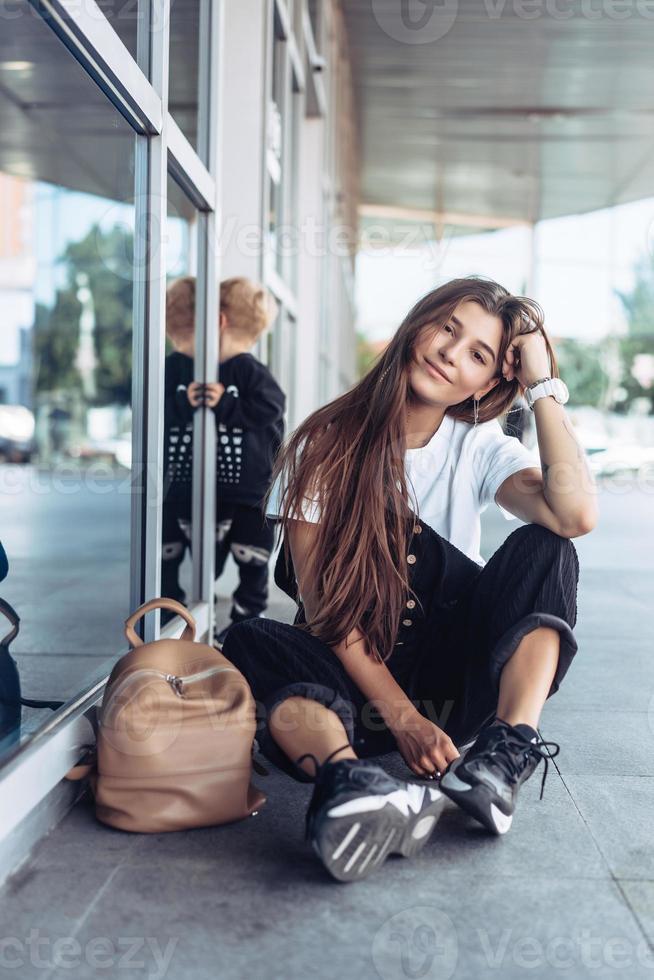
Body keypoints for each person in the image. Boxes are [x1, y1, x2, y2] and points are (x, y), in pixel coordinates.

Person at [222, 276, 598, 883]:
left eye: (478, 353)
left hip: (454, 683)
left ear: (491, 382)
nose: (451, 352)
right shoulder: (322, 444)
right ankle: (349, 787)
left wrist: (543, 387)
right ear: (418, 323)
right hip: (350, 688)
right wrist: (401, 719)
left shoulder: (477, 446)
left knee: (546, 547)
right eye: (448, 328)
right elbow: (326, 615)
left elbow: (575, 514)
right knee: (247, 642)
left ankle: (504, 758)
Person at [161, 276, 285, 638]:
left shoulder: (247, 371)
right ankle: (182, 620)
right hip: (192, 490)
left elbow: (271, 408)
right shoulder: (184, 369)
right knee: (191, 560)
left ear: (218, 321)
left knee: (251, 563)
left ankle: (243, 630)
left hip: (247, 495)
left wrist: (225, 403)